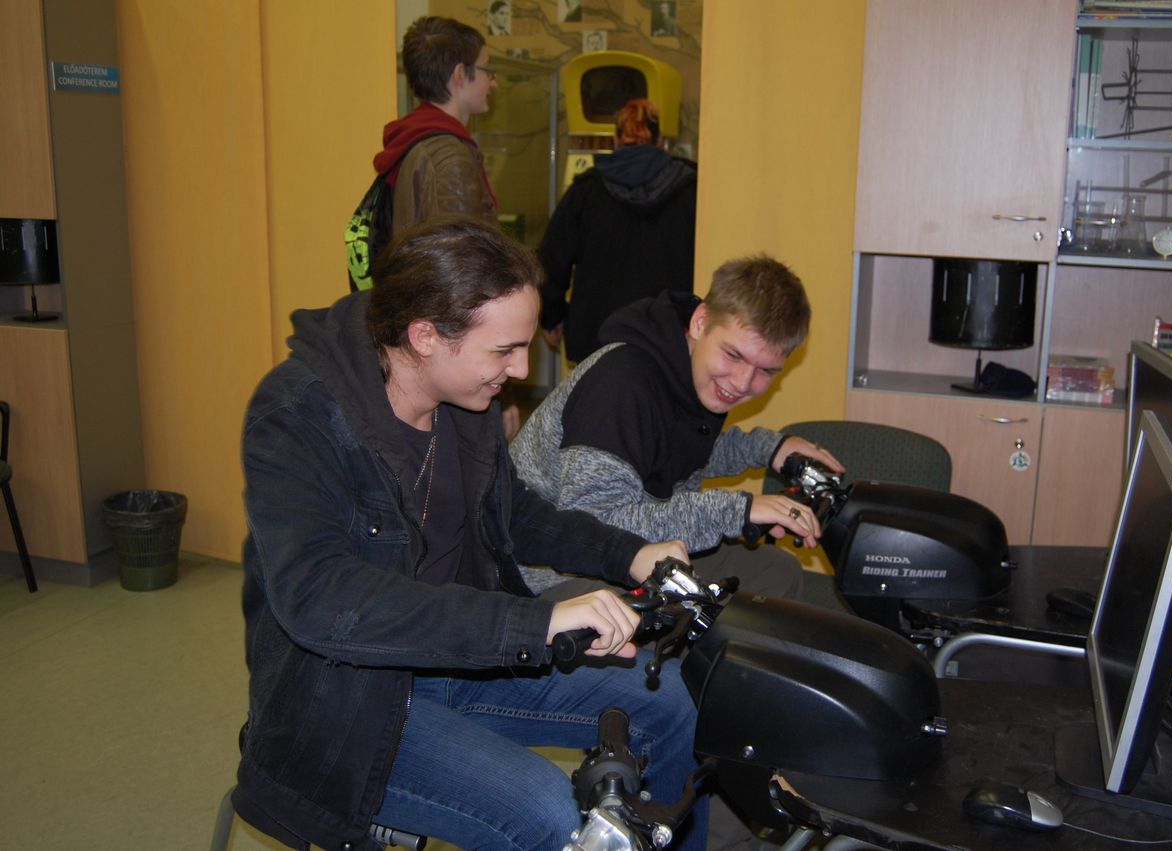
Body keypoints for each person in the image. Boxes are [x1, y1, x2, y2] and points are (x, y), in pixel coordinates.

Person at [234, 216, 708, 851]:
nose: (520, 369)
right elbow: (322, 598)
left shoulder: (464, 402)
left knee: (671, 703)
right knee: (549, 814)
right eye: (504, 350)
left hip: (452, 655)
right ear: (425, 335)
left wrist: (631, 555)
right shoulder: (297, 416)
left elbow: (514, 514)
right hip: (347, 707)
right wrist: (535, 624)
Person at [511, 255, 845, 602]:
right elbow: (594, 529)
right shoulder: (621, 383)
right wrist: (737, 511)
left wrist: (770, 450)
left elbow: (679, 450)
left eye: (766, 371)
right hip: (552, 573)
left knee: (777, 573)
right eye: (734, 355)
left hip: (634, 549)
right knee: (669, 613)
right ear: (700, 322)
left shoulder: (692, 373)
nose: (742, 382)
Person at [373, 15, 521, 439]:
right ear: (460, 74)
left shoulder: (414, 141)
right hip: (451, 351)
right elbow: (465, 279)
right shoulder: (448, 158)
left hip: (424, 342)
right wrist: (500, 389)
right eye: (487, 70)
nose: (492, 82)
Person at [538, 98, 697, 364]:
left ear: (615, 140)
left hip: (596, 337)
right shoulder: (691, 189)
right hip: (669, 337)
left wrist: (552, 317)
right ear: (660, 140)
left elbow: (551, 260)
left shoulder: (586, 190)